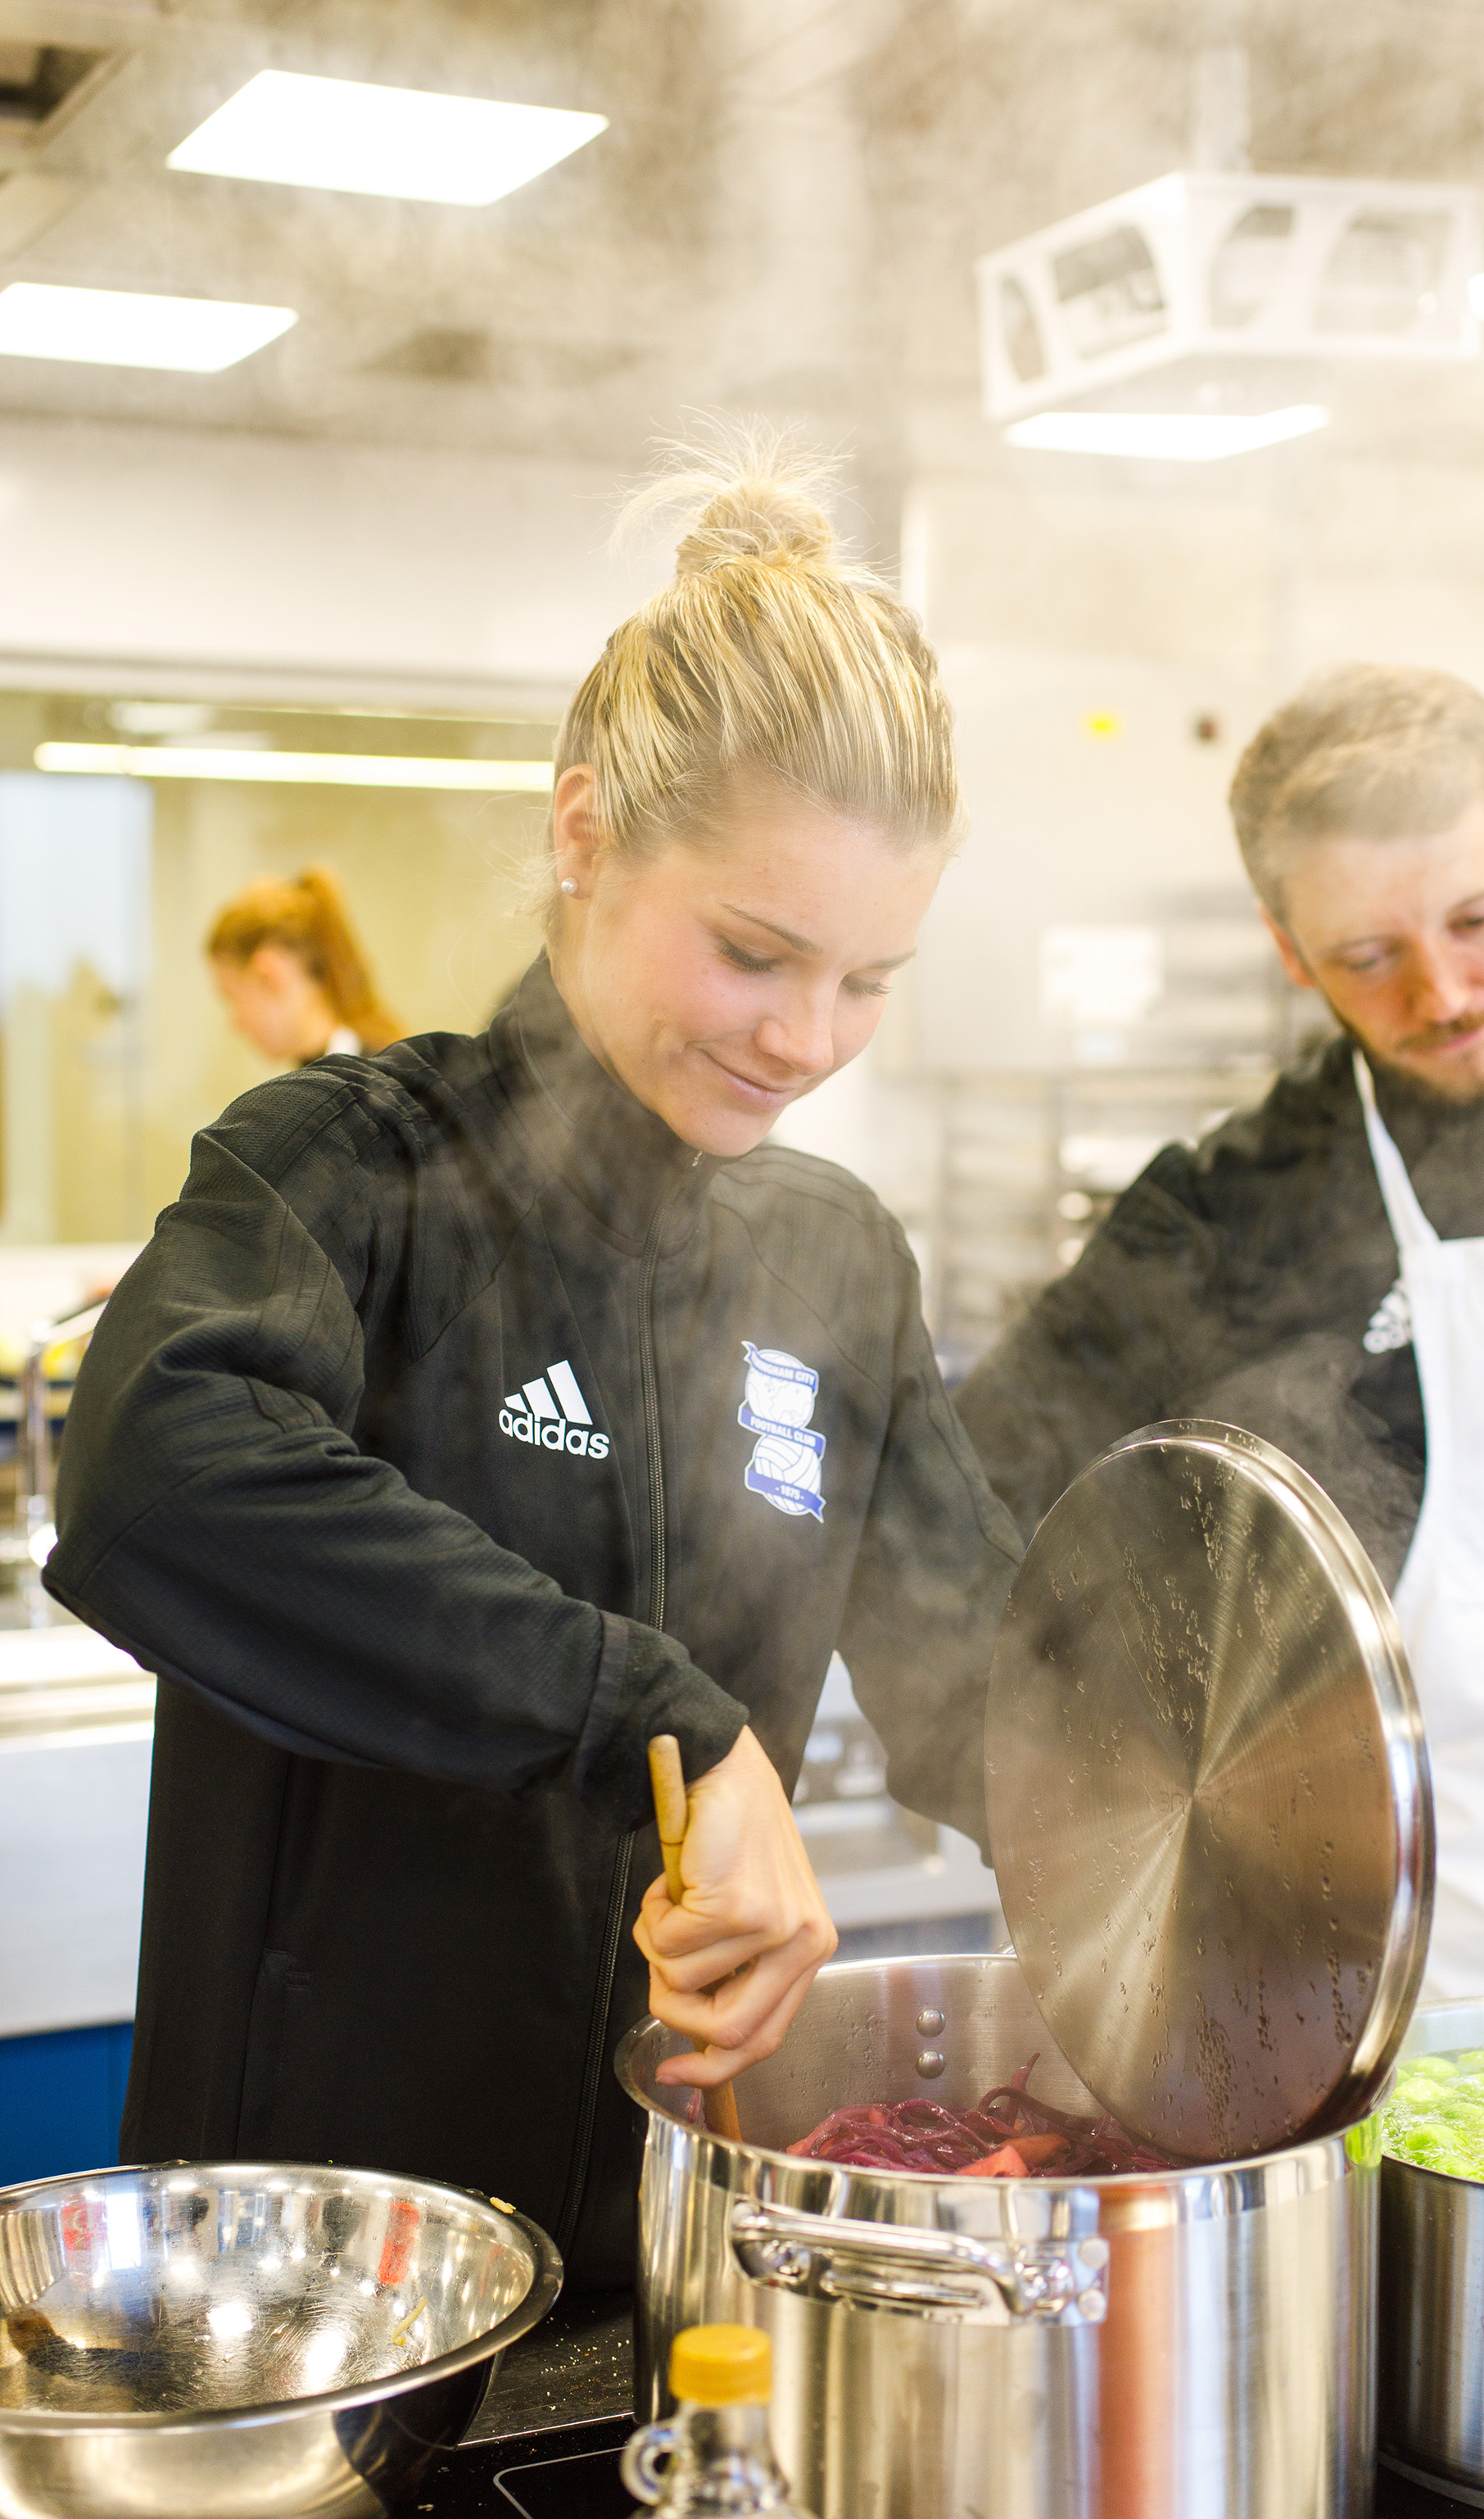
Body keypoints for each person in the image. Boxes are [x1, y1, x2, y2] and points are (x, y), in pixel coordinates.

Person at [47, 436, 1021, 2288]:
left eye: (868, 976)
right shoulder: (351, 1169)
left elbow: (973, 1689)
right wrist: (656, 1714)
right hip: (316, 2313)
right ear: (582, 835)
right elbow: (152, 1474)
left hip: (673, 2276)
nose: (809, 1035)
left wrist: (1193, 1838)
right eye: (754, 951)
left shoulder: (831, 1258)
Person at [957, 662, 1484, 2004]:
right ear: (1288, 948)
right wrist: (1138, 1800)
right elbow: (961, 1505)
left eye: (1477, 920)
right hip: (1446, 2000)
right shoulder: (1236, 1214)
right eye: (1368, 957)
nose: (1445, 992)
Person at [206, 863, 403, 1062]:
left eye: (232, 997)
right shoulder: (349, 1072)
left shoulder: (365, 1083)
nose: (235, 1023)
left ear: (269, 975)